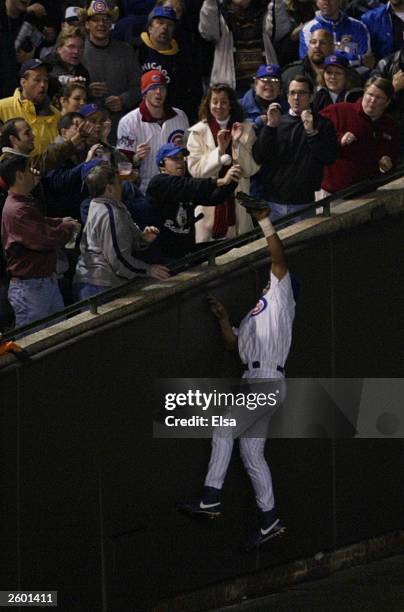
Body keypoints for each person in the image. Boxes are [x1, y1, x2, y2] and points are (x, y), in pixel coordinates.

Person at [178, 200, 298, 549]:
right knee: (251, 454)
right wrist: (221, 317)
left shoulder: (281, 299)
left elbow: (278, 259)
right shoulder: (253, 316)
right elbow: (233, 344)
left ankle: (211, 497)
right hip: (256, 379)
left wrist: (264, 222)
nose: (271, 279)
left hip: (268, 380)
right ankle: (269, 519)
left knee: (224, 428)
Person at [0, 154, 80, 327]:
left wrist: (60, 222)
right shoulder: (17, 209)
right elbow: (44, 238)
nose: (33, 173)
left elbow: (40, 222)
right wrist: (68, 228)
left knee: (59, 337)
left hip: (43, 283)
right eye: (29, 170)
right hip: (31, 289)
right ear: (19, 175)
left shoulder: (24, 203)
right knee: (35, 342)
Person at [73, 163, 170, 300]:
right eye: (118, 182)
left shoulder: (105, 205)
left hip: (96, 283)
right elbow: (118, 259)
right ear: (109, 188)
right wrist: (148, 270)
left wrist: (142, 239)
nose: (122, 185)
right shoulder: (109, 213)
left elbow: (120, 245)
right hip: (98, 286)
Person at [252, 75, 338, 222]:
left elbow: (328, 158)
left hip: (305, 203)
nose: (296, 97)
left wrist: (311, 133)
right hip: (273, 202)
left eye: (302, 93)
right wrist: (270, 127)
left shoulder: (323, 124)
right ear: (287, 97)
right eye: (292, 93)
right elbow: (259, 157)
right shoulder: (277, 122)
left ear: (311, 97)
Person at [187, 83, 260, 242]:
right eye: (215, 101)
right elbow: (196, 171)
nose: (218, 106)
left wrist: (236, 144)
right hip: (208, 206)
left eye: (224, 102)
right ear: (208, 103)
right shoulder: (197, 133)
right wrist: (219, 151)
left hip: (239, 204)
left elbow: (250, 169)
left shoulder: (247, 129)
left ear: (231, 105)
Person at [146, 143, 242, 261]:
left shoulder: (185, 184)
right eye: (175, 158)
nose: (180, 162)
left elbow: (214, 198)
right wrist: (221, 181)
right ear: (162, 164)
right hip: (164, 258)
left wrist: (232, 181)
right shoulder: (158, 183)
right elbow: (188, 186)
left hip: (187, 253)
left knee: (234, 245)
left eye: (182, 158)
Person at [319, 76, 400, 195]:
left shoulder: (390, 126)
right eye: (370, 94)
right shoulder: (338, 111)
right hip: (331, 193)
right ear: (363, 93)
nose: (372, 100)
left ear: (387, 102)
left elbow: (393, 155)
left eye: (378, 97)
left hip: (369, 193)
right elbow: (314, 136)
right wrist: (339, 139)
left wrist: (387, 162)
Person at [117, 70, 189, 194]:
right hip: (144, 191)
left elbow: (189, 153)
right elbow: (122, 166)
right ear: (144, 93)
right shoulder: (128, 122)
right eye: (153, 88)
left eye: (162, 88)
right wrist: (136, 158)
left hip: (175, 188)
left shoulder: (180, 116)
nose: (158, 92)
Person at [198, 0, 291, 95]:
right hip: (231, 87)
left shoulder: (265, 10)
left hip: (264, 84)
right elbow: (208, 32)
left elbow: (280, 31)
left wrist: (278, 3)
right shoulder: (220, 11)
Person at [82, 0, 141, 143]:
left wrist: (124, 99)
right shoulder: (78, 51)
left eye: (106, 19)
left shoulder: (126, 51)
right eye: (95, 20)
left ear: (111, 24)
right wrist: (86, 92)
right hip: (86, 128)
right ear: (87, 24)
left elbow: (140, 87)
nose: (101, 24)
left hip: (120, 125)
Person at [137, 5, 202, 123]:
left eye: (170, 24)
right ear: (150, 28)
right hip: (139, 118)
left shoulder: (184, 60)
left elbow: (191, 94)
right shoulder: (136, 51)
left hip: (172, 118)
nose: (165, 27)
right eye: (160, 22)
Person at [0, 58, 60, 157]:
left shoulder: (56, 115)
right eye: (37, 80)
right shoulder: (2, 108)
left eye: (46, 80)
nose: (43, 85)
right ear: (23, 82)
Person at [299, 0, 374, 71]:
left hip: (354, 78)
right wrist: (352, 57)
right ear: (316, 1)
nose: (326, 1)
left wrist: (330, 56)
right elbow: (311, 62)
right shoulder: (308, 29)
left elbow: (366, 61)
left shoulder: (358, 27)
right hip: (320, 80)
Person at [282, 26, 335, 90]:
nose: (317, 46)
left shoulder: (341, 74)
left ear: (332, 47)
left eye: (323, 43)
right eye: (313, 42)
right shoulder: (291, 73)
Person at [239, 64, 288, 129]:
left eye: (274, 80)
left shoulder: (288, 108)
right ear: (256, 84)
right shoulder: (239, 107)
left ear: (280, 87)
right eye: (264, 80)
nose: (269, 84)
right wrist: (257, 124)